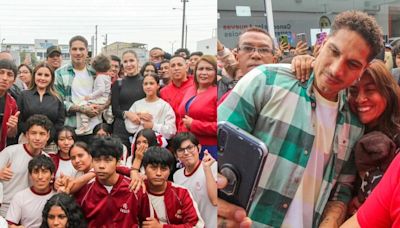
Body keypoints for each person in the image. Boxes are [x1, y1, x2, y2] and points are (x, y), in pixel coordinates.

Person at [218, 10, 383, 227]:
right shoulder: (265, 82)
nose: (336, 69)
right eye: (334, 51)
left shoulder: (353, 122)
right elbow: (217, 152)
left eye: (352, 64)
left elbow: (342, 186)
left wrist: (331, 220)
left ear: (363, 69)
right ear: (322, 45)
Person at [73, 136, 148, 227]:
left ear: (118, 162)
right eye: (97, 160)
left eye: (108, 160)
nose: (101, 166)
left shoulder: (135, 188)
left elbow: (147, 223)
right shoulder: (84, 191)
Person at [0, 114, 52, 216]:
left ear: (48, 136)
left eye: (42, 134)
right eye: (33, 133)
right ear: (27, 135)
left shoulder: (47, 159)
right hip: (5, 209)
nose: (37, 138)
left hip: (31, 213)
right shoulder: (10, 152)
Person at [54, 35, 103, 140]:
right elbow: (59, 101)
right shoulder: (60, 73)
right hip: (72, 128)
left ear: (87, 51)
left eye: (81, 49)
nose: (78, 52)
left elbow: (105, 95)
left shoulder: (95, 72)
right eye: (74, 49)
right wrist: (83, 109)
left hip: (96, 127)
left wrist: (101, 107)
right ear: (70, 51)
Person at [141, 146, 204, 227]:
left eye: (163, 169)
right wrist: (133, 171)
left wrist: (161, 227)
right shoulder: (137, 189)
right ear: (144, 168)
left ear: (170, 171)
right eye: (153, 168)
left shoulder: (181, 193)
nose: (158, 173)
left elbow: (197, 226)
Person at [172, 132, 217, 228]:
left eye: (190, 147)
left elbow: (215, 200)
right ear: (176, 155)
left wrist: (207, 169)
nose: (186, 153)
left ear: (199, 148)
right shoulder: (177, 176)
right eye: (181, 150)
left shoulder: (212, 166)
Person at [177, 55, 217, 159]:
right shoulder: (191, 89)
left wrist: (194, 124)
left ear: (216, 72)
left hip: (207, 148)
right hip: (185, 146)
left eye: (209, 69)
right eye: (200, 69)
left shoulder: (217, 93)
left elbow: (220, 127)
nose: (204, 73)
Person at [17, 62, 65, 146]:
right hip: (26, 140)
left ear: (51, 78)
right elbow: (19, 119)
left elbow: (60, 122)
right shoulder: (23, 95)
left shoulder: (58, 97)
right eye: (39, 74)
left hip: (49, 143)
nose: (42, 78)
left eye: (46, 75)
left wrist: (48, 138)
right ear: (34, 75)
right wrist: (30, 135)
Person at [6, 155, 56, 228]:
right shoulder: (20, 197)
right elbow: (10, 224)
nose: (40, 177)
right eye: (36, 172)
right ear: (30, 175)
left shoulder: (57, 196)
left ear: (52, 175)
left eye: (44, 172)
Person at [125, 73, 176, 141]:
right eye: (145, 84)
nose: (148, 86)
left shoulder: (165, 106)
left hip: (157, 145)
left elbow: (171, 131)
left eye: (151, 83)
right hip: (139, 143)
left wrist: (153, 126)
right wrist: (138, 117)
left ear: (158, 85)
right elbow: (129, 127)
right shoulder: (137, 104)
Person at [111, 50, 146, 149]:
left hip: (141, 127)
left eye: (131, 60)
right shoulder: (118, 83)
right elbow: (115, 110)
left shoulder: (146, 82)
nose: (129, 64)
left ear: (137, 61)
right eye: (125, 62)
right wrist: (127, 114)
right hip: (121, 130)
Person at [76, 54, 112, 134]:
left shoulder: (100, 77)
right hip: (105, 99)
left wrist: (90, 96)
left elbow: (101, 90)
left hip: (99, 99)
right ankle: (109, 116)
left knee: (83, 105)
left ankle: (84, 125)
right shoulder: (107, 77)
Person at [160, 55, 193, 128]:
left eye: (180, 65)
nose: (176, 68)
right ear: (169, 69)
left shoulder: (196, 86)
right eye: (173, 66)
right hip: (171, 134)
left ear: (187, 67)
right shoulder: (163, 91)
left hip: (191, 134)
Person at [0, 59, 19, 151]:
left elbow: (11, 134)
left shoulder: (12, 103)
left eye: (9, 74)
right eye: (1, 72)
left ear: (14, 80)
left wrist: (13, 127)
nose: (4, 78)